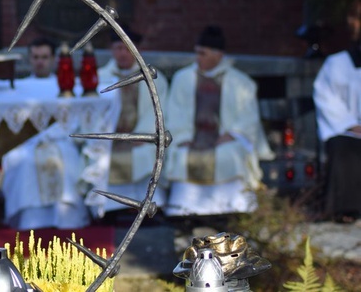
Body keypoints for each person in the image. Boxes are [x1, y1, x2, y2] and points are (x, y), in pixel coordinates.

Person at [164, 25, 274, 217]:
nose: (198, 58)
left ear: (218, 55)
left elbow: (249, 118)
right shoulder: (183, 78)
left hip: (223, 139)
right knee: (182, 155)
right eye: (197, 53)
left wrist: (232, 134)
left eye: (203, 54)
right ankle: (184, 210)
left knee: (230, 154)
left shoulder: (241, 82)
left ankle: (232, 208)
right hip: (192, 137)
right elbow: (174, 112)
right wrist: (182, 136)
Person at [0, 36, 90, 230]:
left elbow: (73, 121)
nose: (40, 62)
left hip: (60, 140)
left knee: (66, 160)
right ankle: (29, 221)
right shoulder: (18, 88)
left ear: (53, 60)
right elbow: (13, 123)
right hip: (27, 143)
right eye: (35, 57)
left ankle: (67, 220)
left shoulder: (67, 86)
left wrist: (49, 136)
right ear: (30, 59)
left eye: (44, 57)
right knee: (23, 162)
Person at [81, 25, 169, 220]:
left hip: (140, 138)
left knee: (145, 155)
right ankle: (107, 209)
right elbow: (92, 113)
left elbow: (159, 111)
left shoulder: (154, 78)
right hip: (109, 140)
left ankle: (146, 207)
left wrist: (143, 135)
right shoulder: (100, 78)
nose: (122, 53)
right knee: (101, 158)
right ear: (111, 51)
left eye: (126, 48)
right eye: (117, 48)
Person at [312, 0, 361, 222]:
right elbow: (325, 96)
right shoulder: (337, 63)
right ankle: (346, 209)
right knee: (342, 149)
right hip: (348, 129)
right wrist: (351, 124)